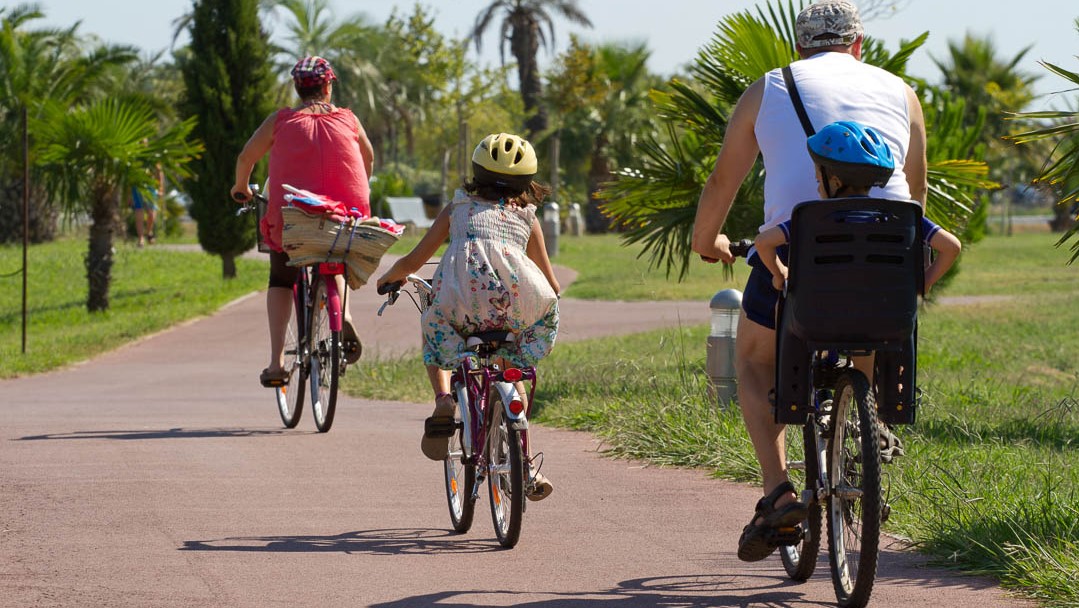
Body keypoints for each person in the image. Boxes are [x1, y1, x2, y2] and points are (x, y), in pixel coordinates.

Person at [690, 0, 930, 562]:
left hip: (798, 256)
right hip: (883, 259)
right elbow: (915, 196)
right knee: (870, 322)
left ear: (799, 48)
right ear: (859, 45)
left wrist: (707, 242)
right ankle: (862, 423)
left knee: (752, 359)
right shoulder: (902, 92)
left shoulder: (770, 88)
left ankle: (778, 491)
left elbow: (725, 177)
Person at [377, 132, 560, 500]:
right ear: (527, 182)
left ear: (476, 172)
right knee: (511, 365)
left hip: (462, 304)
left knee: (434, 322)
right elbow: (552, 284)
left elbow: (414, 260)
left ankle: (444, 397)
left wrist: (389, 278)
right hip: (514, 309)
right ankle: (525, 463)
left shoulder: (457, 209)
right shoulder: (528, 217)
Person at [230, 56, 374, 388]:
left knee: (281, 278)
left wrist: (240, 188)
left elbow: (245, 158)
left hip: (294, 219)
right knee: (336, 255)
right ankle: (346, 317)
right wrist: (361, 186)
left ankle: (277, 362)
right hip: (344, 215)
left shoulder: (281, 121)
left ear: (297, 88)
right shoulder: (349, 119)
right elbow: (368, 157)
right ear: (328, 85)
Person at [755, 121, 961, 294]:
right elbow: (951, 247)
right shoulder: (899, 217)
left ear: (834, 181)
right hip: (887, 318)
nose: (818, 187)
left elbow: (763, 243)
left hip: (820, 318)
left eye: (819, 180)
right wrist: (923, 283)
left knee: (780, 307)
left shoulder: (812, 218)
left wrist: (780, 273)